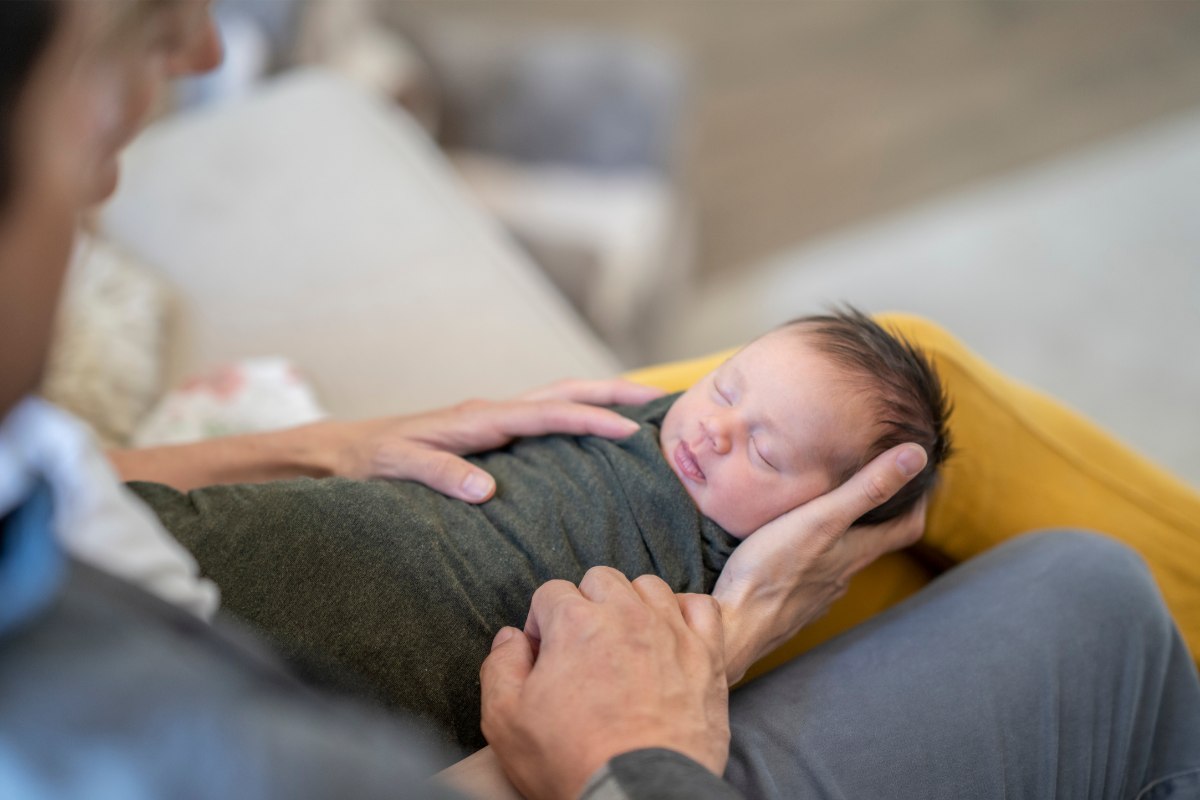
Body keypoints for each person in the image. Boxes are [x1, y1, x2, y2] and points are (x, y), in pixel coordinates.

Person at [2, 3, 1197, 800]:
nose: (207, 52)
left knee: (905, 396)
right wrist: (623, 753)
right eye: (116, 57)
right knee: (1094, 597)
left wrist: (321, 443)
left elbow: (60, 472)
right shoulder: (157, 733)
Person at [127, 309, 952, 752]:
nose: (715, 431)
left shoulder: (722, 564)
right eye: (726, 389)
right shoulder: (652, 420)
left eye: (765, 452)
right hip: (285, 543)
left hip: (394, 662)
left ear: (818, 522)